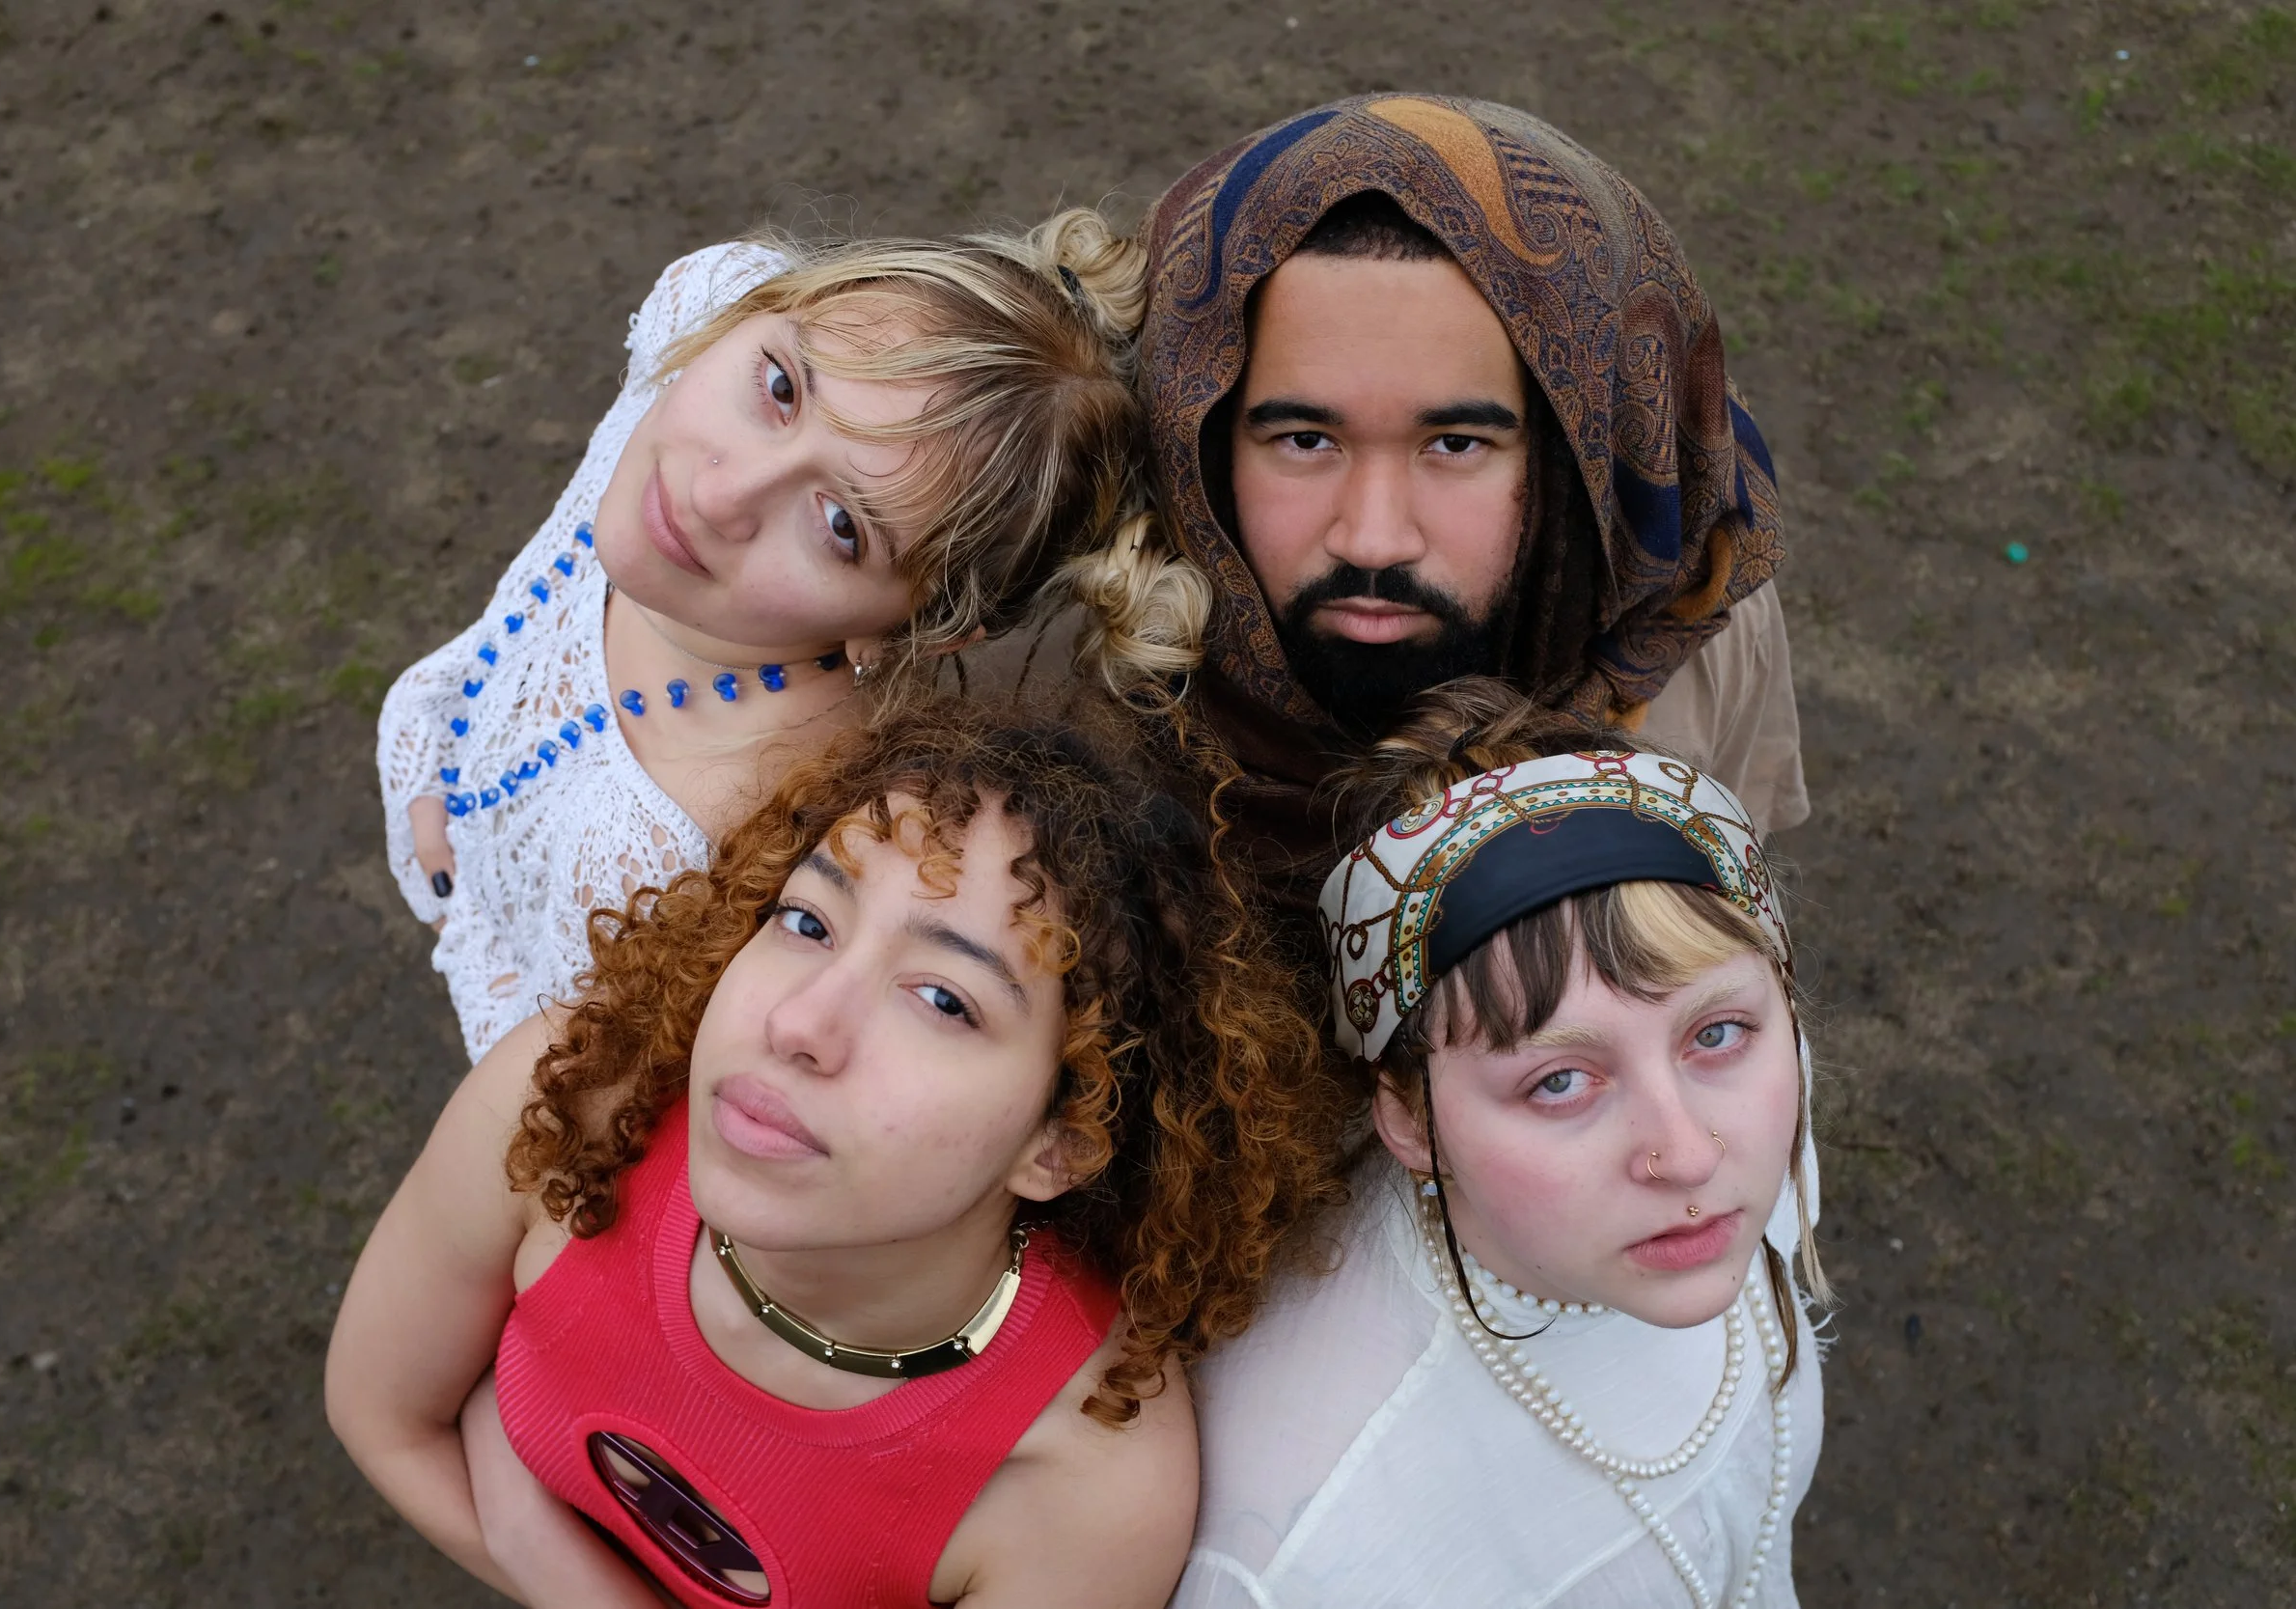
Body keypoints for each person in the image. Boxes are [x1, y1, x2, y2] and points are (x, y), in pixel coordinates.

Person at [327, 700, 1341, 1608]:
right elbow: (384, 1418)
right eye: (806, 920)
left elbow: (456, 1444)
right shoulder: (575, 1090)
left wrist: (533, 1533)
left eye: (943, 998)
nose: (801, 1021)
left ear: (1060, 1139)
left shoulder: (1078, 1484)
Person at [377, 211, 1203, 1059]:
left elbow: (539, 1074)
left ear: (919, 629)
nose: (718, 493)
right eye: (782, 389)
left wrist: (463, 907)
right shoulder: (707, 307)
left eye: (841, 525)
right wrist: (440, 741)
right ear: (767, 306)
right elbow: (526, 619)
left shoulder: (719, 840)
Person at [1171, 680, 1827, 1608]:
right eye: (1560, 1081)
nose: (1686, 1154)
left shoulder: (1768, 1102)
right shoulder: (1317, 1554)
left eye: (1714, 1034)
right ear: (1407, 1115)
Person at [1079, 96, 1808, 916]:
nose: (1375, 540)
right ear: (1198, 449)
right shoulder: (1065, 677)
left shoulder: (1694, 631)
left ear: (1575, 460)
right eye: (1305, 440)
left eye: (1456, 444)